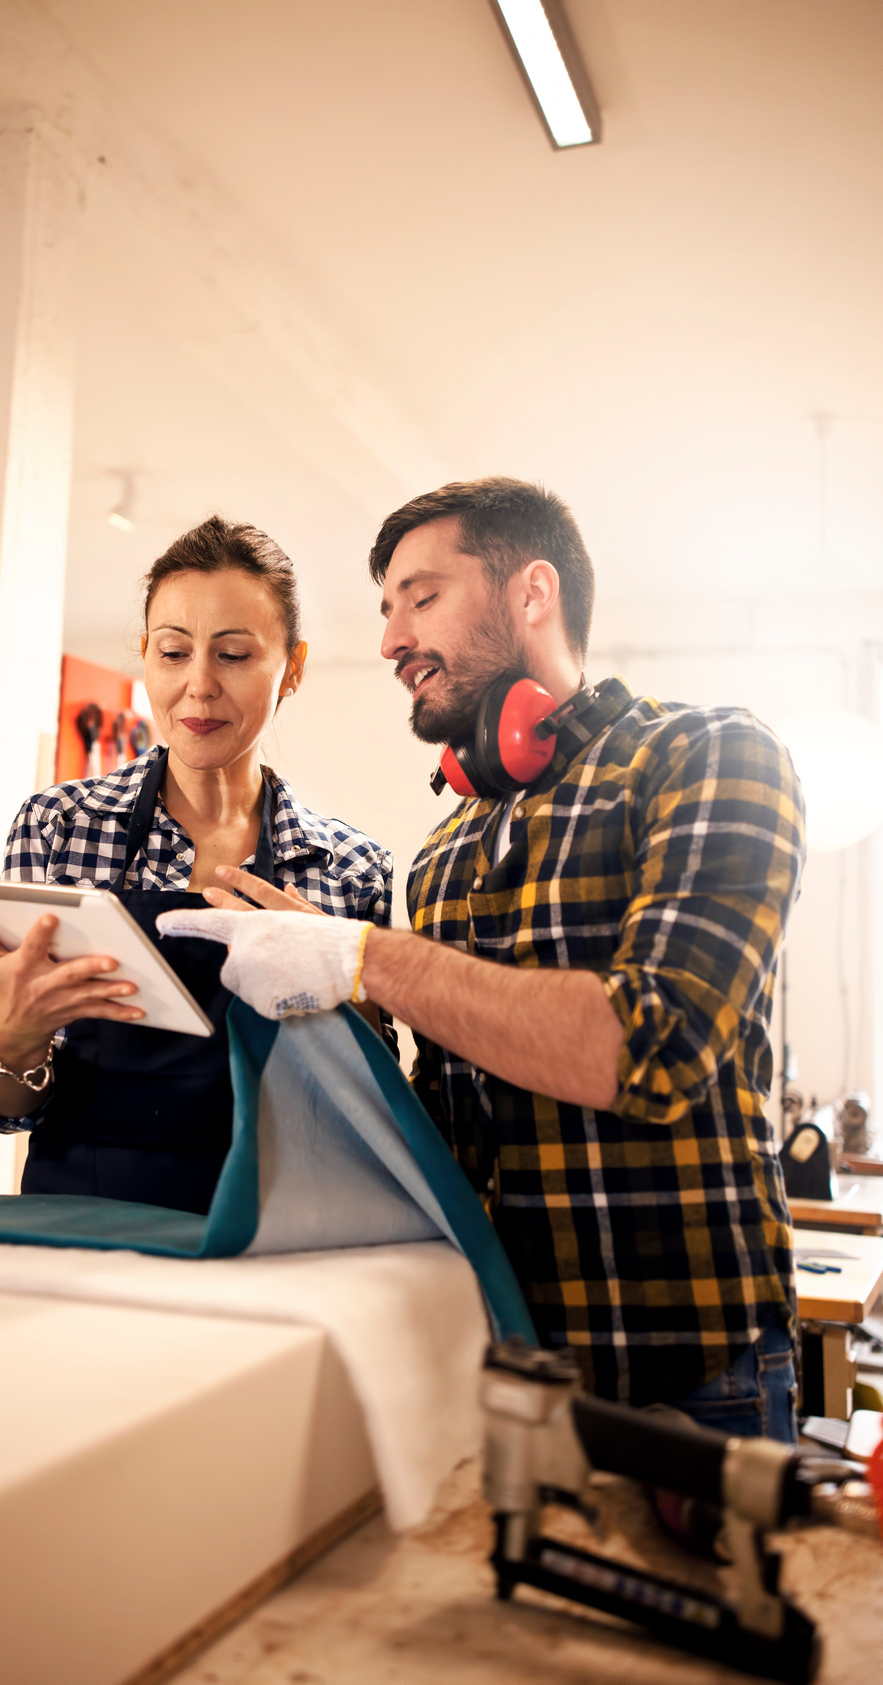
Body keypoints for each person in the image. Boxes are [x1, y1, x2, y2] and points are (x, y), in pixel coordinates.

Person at [164, 478, 804, 1441]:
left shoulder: (710, 757)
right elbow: (451, 1122)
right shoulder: (443, 852)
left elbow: (654, 1046)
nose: (391, 640)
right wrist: (340, 1016)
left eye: (421, 598)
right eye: (387, 611)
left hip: (693, 1378)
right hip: (492, 1365)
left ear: (532, 592)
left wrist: (362, 955)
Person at [0, 516, 393, 1214]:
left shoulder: (351, 868)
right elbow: (2, 1104)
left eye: (233, 654)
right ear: (145, 655)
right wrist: (11, 1038)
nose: (199, 685)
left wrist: (348, 992)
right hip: (84, 1225)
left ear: (292, 668)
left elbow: (375, 1110)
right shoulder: (59, 828)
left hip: (276, 1229)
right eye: (173, 652)